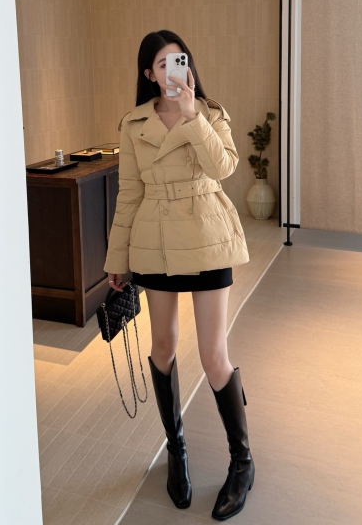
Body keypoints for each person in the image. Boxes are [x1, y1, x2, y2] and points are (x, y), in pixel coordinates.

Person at [103, 29, 254, 521]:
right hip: (157, 241)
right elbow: (129, 194)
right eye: (164, 63)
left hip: (207, 235)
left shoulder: (209, 112)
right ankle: (177, 451)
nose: (174, 71)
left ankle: (242, 462)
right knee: (163, 348)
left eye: (180, 60)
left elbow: (224, 168)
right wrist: (117, 258)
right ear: (149, 73)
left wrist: (192, 118)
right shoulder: (133, 124)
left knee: (213, 356)